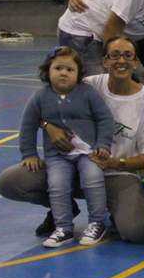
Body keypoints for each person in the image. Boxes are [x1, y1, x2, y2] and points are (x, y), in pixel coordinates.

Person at [0, 36, 144, 245]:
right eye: (114, 55)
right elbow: (39, 108)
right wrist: (49, 127)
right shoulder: (86, 84)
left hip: (116, 174)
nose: (121, 61)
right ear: (104, 61)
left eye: (128, 56)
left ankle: (115, 210)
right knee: (9, 182)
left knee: (137, 232)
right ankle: (63, 211)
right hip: (68, 164)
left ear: (135, 62)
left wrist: (114, 162)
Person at [16, 46, 114, 248]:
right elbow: (27, 126)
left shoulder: (88, 93)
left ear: (78, 74)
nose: (63, 73)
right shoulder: (40, 97)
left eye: (70, 70)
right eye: (58, 68)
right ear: (48, 71)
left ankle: (97, 223)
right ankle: (63, 227)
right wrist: (29, 154)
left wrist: (103, 144)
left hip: (89, 154)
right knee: (57, 185)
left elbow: (105, 119)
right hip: (57, 156)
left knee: (93, 179)